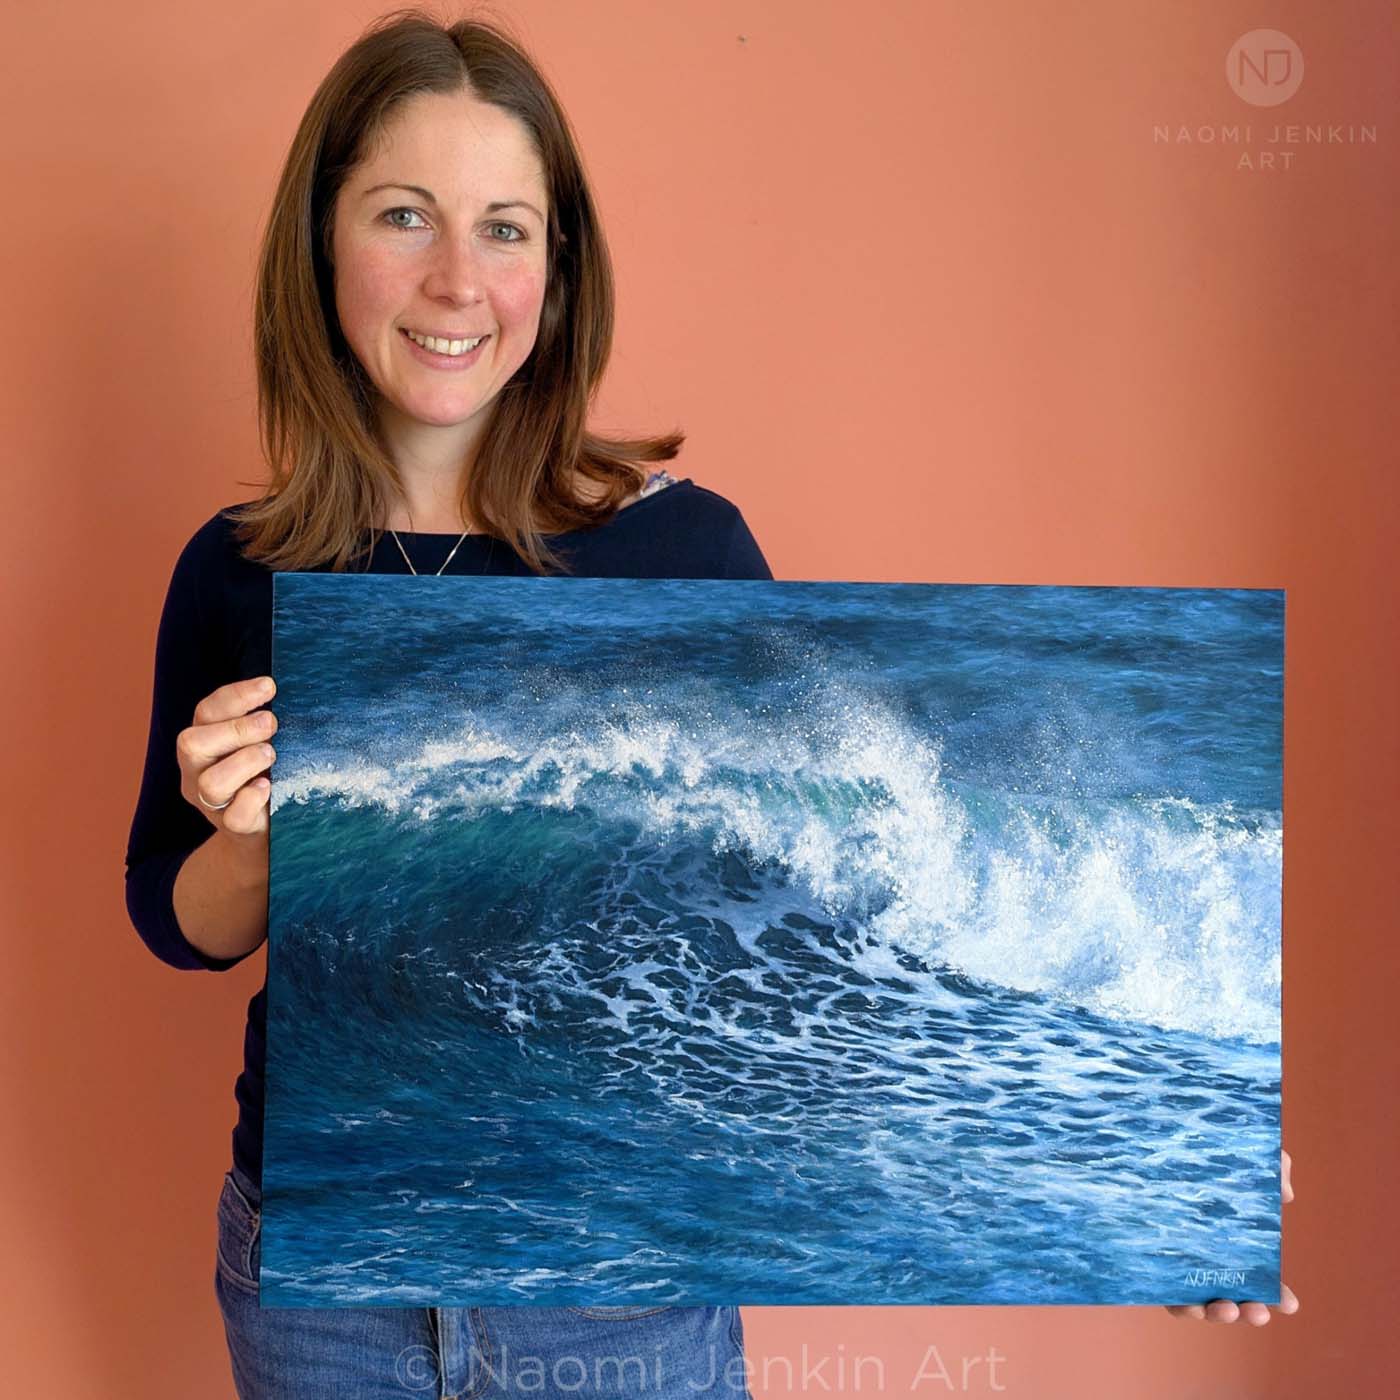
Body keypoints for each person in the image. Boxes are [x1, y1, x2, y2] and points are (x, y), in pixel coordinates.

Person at [124, 12, 767, 1397]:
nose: (458, 280)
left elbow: (833, 918)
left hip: (618, 1286)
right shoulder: (239, 571)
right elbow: (172, 919)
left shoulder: (687, 557)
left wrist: (1160, 1169)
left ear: (560, 264)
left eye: (507, 228)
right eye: (405, 215)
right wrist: (254, 842)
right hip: (324, 1291)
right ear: (323, 244)